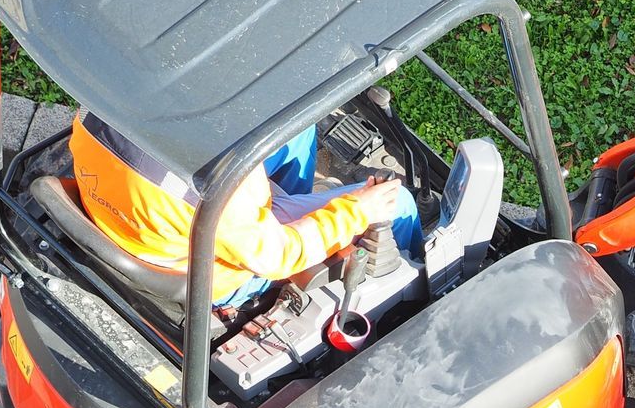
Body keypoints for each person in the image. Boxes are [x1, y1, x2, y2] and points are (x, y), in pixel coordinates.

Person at [69, 113, 422, 306]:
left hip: (139, 218)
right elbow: (279, 254)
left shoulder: (97, 110)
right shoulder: (219, 188)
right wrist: (359, 210)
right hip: (209, 271)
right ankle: (416, 297)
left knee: (298, 130)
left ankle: (287, 211)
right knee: (399, 204)